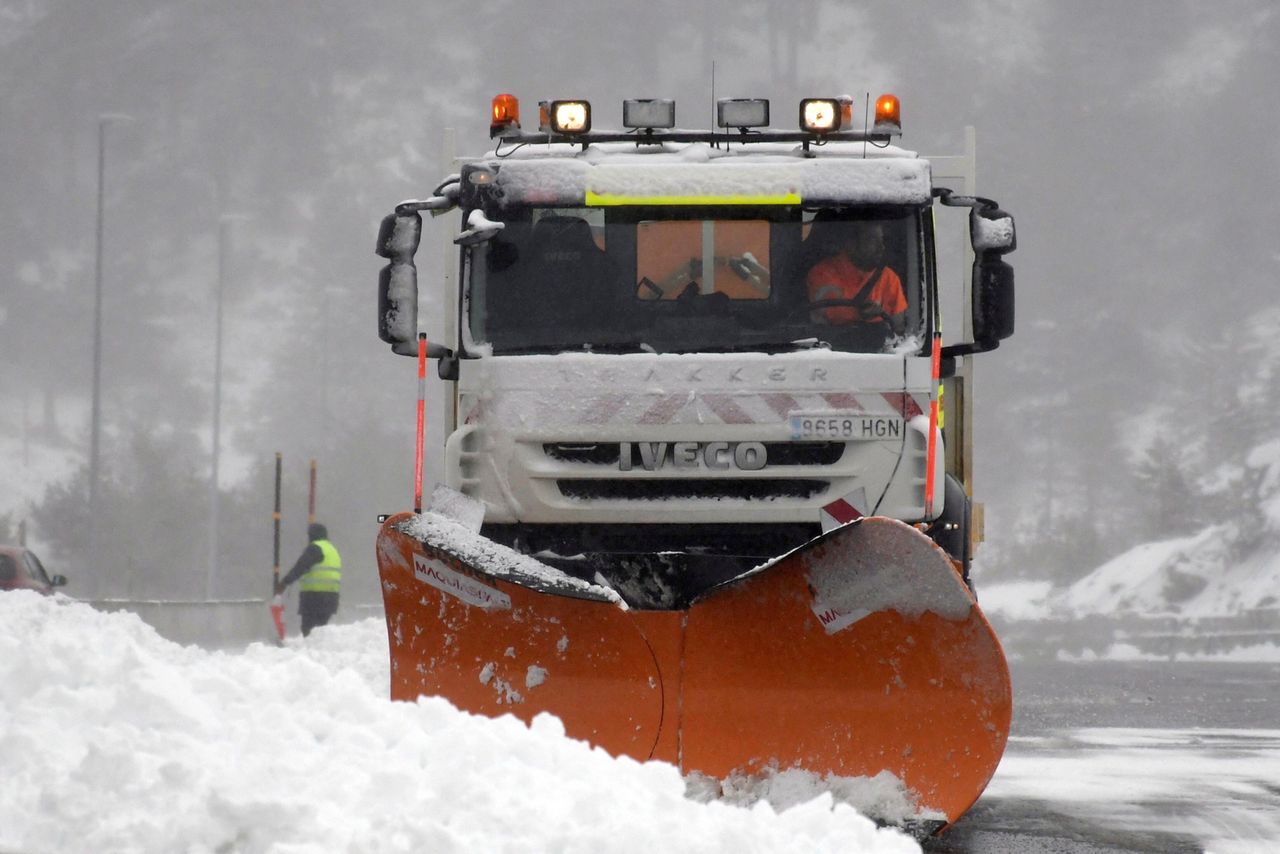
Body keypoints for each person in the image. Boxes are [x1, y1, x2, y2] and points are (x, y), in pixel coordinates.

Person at [805, 220, 907, 333]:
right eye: (872, 241)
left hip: (878, 349)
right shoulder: (822, 274)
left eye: (882, 240)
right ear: (851, 244)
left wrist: (881, 314)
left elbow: (899, 331)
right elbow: (819, 322)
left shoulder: (889, 278)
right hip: (828, 348)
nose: (881, 247)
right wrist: (859, 314)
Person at [276, 522, 342, 636]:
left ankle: (310, 652)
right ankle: (320, 651)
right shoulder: (332, 549)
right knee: (321, 631)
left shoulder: (315, 548)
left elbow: (301, 566)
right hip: (331, 597)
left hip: (314, 597)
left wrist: (285, 582)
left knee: (309, 629)